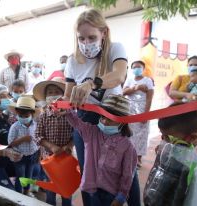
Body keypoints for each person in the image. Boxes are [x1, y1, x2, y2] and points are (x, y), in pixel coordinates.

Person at [63, 9, 140, 206]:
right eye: (81, 38)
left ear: (104, 32)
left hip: (112, 118)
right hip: (85, 120)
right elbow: (68, 96)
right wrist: (59, 104)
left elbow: (119, 75)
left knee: (125, 166)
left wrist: (91, 84)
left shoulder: (116, 49)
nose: (86, 43)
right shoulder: (72, 61)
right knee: (89, 170)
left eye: (92, 37)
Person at [60, 95, 137, 206]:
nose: (105, 122)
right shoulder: (91, 133)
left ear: (123, 122)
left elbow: (127, 175)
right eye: (103, 117)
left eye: (110, 119)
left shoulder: (128, 147)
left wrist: (120, 197)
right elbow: (76, 121)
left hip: (110, 195)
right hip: (89, 189)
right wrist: (65, 107)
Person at [143, 103, 197, 206]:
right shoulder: (170, 146)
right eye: (163, 136)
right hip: (152, 198)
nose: (164, 141)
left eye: (168, 138)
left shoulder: (191, 162)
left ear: (191, 138)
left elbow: (182, 190)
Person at [33, 80, 73, 206]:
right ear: (46, 97)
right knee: (51, 189)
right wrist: (51, 146)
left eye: (57, 92)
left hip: (66, 159)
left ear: (63, 95)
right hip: (49, 159)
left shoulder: (70, 115)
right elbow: (38, 136)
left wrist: (70, 145)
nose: (53, 94)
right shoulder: (43, 116)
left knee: (66, 190)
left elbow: (76, 134)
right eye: (50, 92)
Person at [169, 55, 197, 151]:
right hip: (181, 114)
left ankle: (192, 164)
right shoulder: (180, 78)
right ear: (187, 66)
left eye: (196, 64)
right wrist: (186, 95)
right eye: (190, 64)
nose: (193, 66)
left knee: (196, 143)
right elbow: (172, 92)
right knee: (178, 141)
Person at [123, 60, 154, 167]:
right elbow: (123, 92)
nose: (137, 69)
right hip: (130, 111)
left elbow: (149, 99)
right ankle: (128, 157)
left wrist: (146, 114)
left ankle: (138, 160)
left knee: (141, 136)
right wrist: (136, 87)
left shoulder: (148, 80)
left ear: (143, 69)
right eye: (134, 67)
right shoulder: (129, 80)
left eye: (139, 67)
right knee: (129, 135)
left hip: (142, 111)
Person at [7, 96, 40, 196]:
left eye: (26, 115)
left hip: (32, 155)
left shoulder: (36, 125)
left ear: (32, 114)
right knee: (20, 176)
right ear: (17, 113)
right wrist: (23, 139)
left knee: (29, 176)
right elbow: (10, 143)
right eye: (21, 115)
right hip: (19, 156)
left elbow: (39, 140)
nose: (23, 118)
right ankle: (18, 194)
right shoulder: (15, 126)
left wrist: (39, 154)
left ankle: (26, 192)